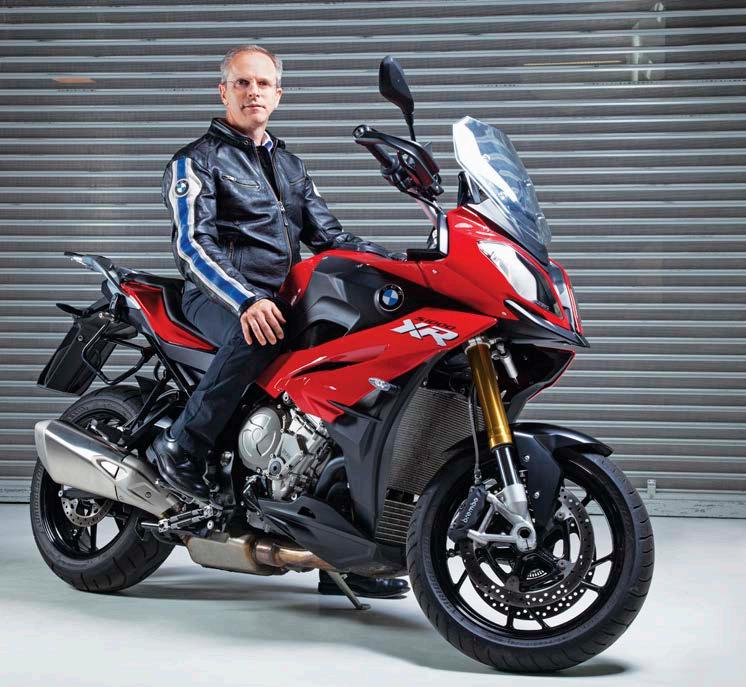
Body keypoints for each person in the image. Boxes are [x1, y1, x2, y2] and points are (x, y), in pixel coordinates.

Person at [146, 45, 408, 598]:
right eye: (242, 83)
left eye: (263, 83)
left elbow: (331, 238)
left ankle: (340, 550)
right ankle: (183, 446)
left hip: (281, 300)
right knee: (266, 331)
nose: (253, 92)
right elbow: (193, 247)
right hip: (218, 297)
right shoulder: (196, 161)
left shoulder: (291, 167)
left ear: (279, 95)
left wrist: (407, 266)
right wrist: (245, 300)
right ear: (223, 91)